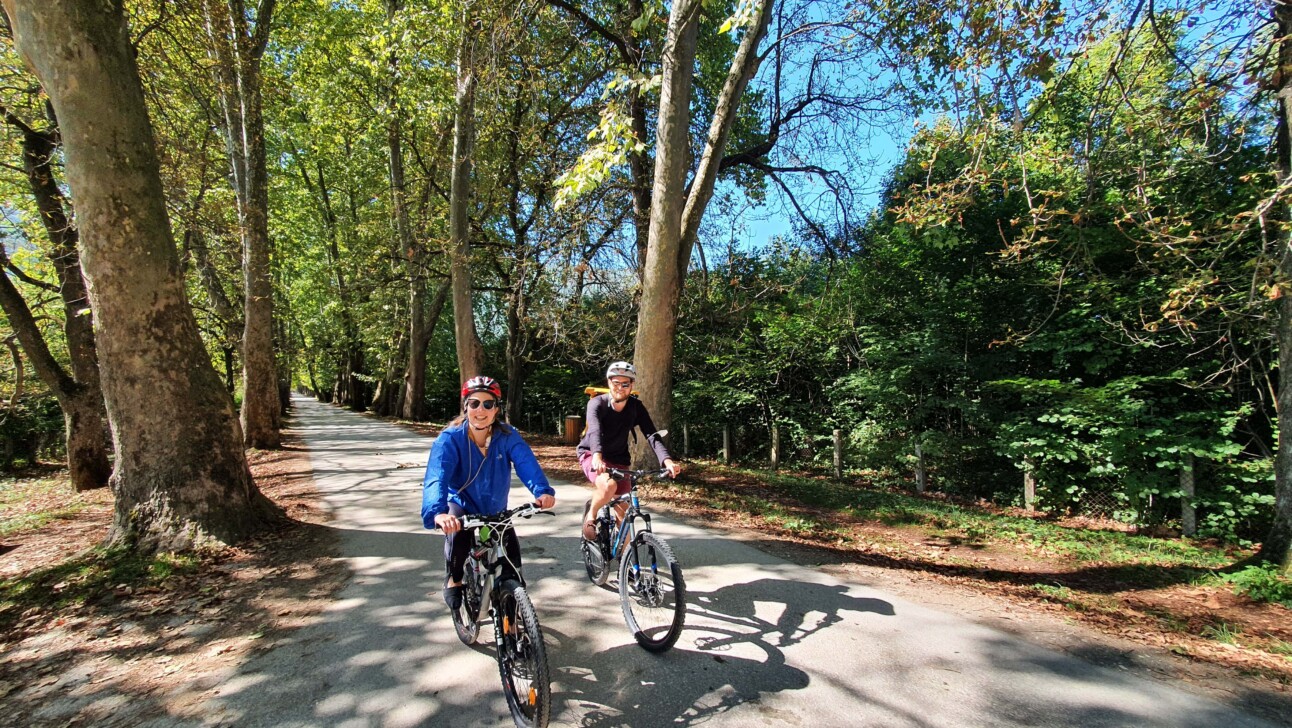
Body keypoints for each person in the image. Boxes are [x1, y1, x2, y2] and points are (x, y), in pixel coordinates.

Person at [421, 376, 556, 610]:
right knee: (459, 540)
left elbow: (526, 463)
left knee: (512, 561)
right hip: (461, 505)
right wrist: (438, 513)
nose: (480, 410)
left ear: (496, 409)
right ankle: (454, 580)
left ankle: (514, 617)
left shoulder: (507, 435)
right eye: (474, 403)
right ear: (465, 407)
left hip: (495, 508)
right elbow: (437, 476)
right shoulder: (449, 439)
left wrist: (542, 491)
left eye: (487, 404)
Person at [576, 361, 681, 541]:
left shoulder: (635, 407)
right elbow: (594, 430)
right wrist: (597, 456)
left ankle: (629, 565)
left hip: (619, 458)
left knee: (623, 514)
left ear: (632, 385)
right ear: (609, 383)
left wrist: (667, 461)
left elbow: (652, 435)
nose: (620, 387)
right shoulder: (597, 404)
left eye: (625, 384)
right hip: (591, 454)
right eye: (616, 383)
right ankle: (591, 516)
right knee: (608, 486)